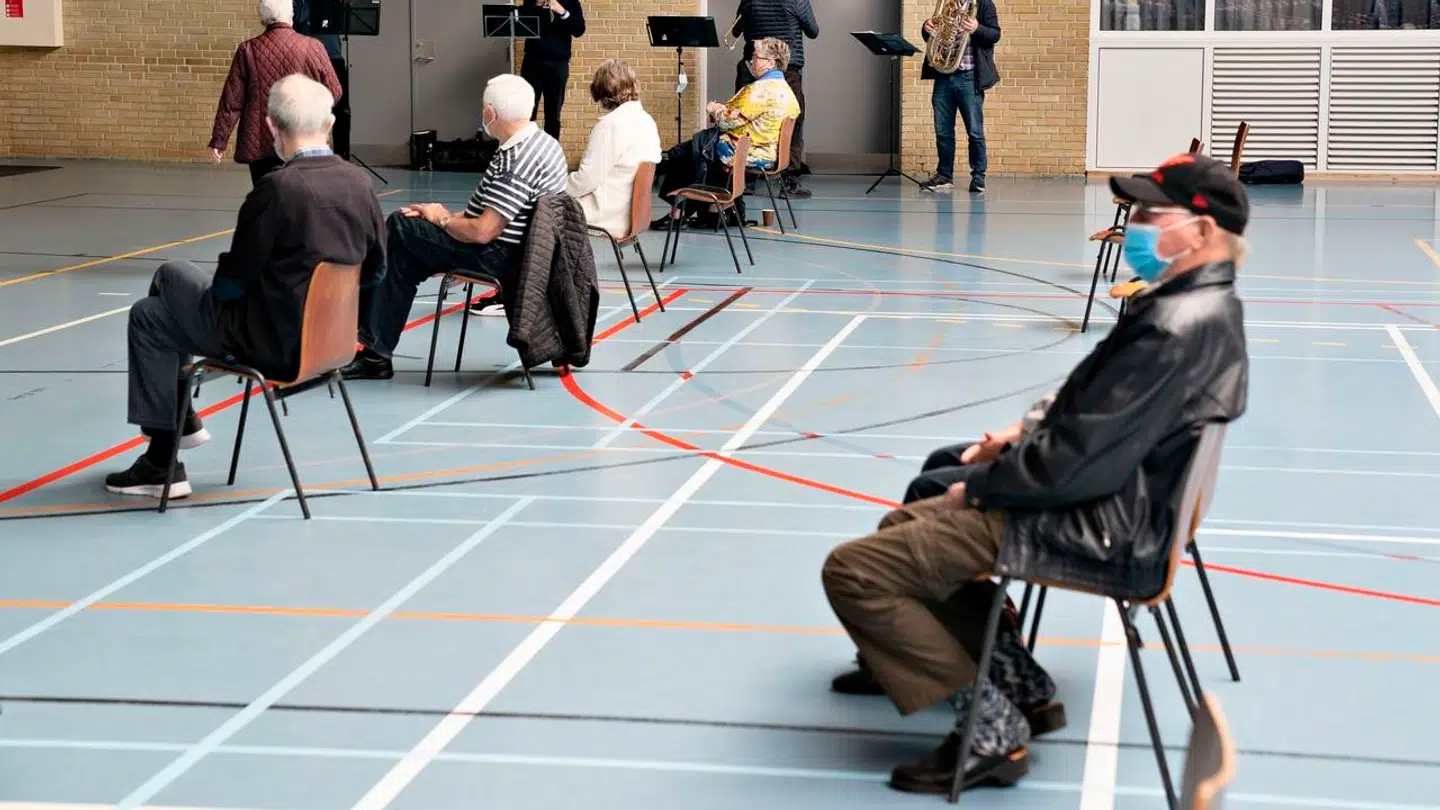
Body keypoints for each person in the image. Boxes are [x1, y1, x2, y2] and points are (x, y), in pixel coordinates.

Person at [821, 153, 1251, 795]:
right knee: (905, 526)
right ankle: (1021, 684)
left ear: (1202, 231)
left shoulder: (1172, 328)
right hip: (1115, 508)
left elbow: (1075, 461)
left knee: (855, 570)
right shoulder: (1202, 308)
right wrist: (1016, 448)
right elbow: (1095, 431)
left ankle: (992, 728)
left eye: (1147, 215)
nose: (1131, 225)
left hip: (1092, 523)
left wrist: (985, 488)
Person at [107, 75, 385, 498]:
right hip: (334, 343)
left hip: (269, 345)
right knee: (151, 316)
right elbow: (376, 271)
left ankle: (166, 450)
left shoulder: (277, 190)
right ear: (329, 123)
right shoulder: (360, 185)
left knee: (168, 278)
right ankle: (168, 448)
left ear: (272, 128)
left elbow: (231, 285)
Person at [341, 74, 567, 382]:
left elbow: (484, 231)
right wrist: (442, 216)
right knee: (403, 259)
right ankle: (375, 354)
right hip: (514, 247)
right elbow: (488, 213)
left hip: (499, 254)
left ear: (491, 113)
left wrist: (442, 220)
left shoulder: (516, 161)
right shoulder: (542, 144)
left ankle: (354, 326)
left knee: (399, 226)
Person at [654, 37, 800, 230]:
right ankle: (713, 211)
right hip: (769, 152)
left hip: (745, 151)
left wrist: (713, 109)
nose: (752, 60)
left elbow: (725, 121)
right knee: (694, 149)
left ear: (771, 62)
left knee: (685, 153)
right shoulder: (787, 91)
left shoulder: (759, 90)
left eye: (756, 57)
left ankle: (679, 213)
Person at [731, 0, 817, 199]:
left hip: (751, 68)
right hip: (786, 70)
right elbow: (813, 31)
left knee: (745, 122)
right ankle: (789, 182)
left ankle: (746, 181)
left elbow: (736, 31)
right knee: (792, 123)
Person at [566, 59, 662, 238]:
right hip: (632, 215)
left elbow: (587, 179)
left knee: (540, 208)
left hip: (605, 216)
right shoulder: (646, 120)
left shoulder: (610, 125)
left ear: (602, 91)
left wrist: (555, 187)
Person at [918, 0, 1000, 194]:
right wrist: (926, 27)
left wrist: (977, 28)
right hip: (943, 76)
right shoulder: (948, 4)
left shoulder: (984, 4)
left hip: (969, 77)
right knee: (943, 131)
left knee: (975, 131)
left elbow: (994, 34)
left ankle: (978, 177)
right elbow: (935, 35)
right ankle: (944, 175)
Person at [519, 0, 586, 140]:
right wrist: (536, 5)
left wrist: (562, 11)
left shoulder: (571, 2)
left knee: (553, 114)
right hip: (532, 62)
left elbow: (579, 30)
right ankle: (525, 152)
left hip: (558, 64)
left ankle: (551, 154)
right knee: (526, 112)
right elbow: (520, 23)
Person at [293, 0, 351, 158]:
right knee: (304, 108)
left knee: (341, 110)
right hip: (307, 57)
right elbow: (298, 20)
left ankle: (342, 155)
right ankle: (305, 152)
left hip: (333, 57)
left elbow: (343, 19)